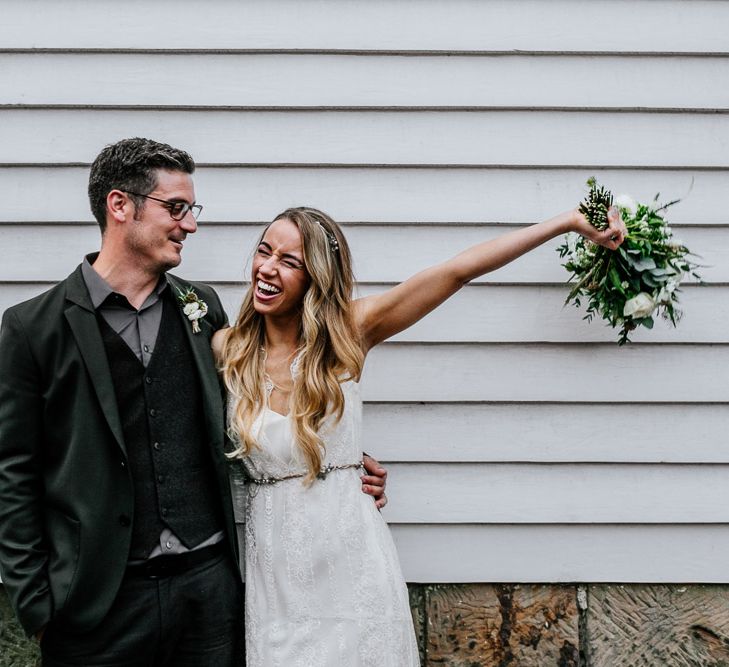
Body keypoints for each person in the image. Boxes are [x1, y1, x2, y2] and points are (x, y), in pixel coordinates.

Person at [0, 137, 387, 667]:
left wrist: (340, 465)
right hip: (97, 606)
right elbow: (13, 474)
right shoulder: (31, 329)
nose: (190, 224)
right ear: (120, 206)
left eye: (190, 209)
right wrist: (38, 609)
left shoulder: (202, 309)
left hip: (208, 593)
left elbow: (253, 415)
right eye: (175, 208)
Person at [215, 204, 626, 666]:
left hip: (351, 558)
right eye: (264, 252)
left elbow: (457, 271)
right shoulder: (227, 349)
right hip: (277, 575)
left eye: (289, 262)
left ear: (317, 278)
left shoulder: (350, 331)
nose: (267, 269)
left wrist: (567, 222)